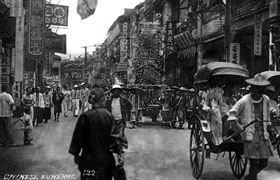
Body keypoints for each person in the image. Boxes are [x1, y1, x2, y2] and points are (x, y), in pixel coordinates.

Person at [69, 87, 123, 180]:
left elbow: (78, 138)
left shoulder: (85, 116)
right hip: (106, 161)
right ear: (103, 99)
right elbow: (115, 138)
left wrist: (76, 154)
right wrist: (119, 154)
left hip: (88, 161)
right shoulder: (109, 116)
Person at [228, 73, 273, 180]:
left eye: (261, 88)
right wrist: (238, 126)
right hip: (250, 135)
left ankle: (249, 177)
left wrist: (269, 127)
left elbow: (268, 116)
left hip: (262, 135)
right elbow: (231, 114)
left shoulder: (266, 99)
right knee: (253, 163)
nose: (258, 90)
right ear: (252, 88)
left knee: (264, 162)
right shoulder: (244, 100)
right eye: (256, 87)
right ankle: (252, 178)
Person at [106, 84, 132, 150]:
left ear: (120, 92)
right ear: (113, 92)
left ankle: (122, 147)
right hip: (112, 119)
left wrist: (126, 112)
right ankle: (113, 146)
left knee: (120, 134)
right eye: (115, 91)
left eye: (118, 91)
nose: (116, 92)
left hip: (121, 119)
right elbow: (106, 108)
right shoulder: (109, 100)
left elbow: (130, 106)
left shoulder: (123, 100)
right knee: (112, 133)